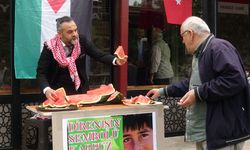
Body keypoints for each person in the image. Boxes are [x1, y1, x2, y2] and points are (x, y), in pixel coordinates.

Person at [146, 16, 250, 150]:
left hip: (223, 135)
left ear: (190, 33)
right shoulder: (201, 53)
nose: (182, 41)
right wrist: (162, 91)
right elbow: (192, 84)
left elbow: (235, 79)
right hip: (208, 132)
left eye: (182, 36)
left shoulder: (218, 48)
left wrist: (198, 93)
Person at [36, 16, 127, 101]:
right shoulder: (50, 47)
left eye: (75, 30)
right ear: (60, 34)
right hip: (56, 93)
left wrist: (115, 60)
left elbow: (99, 55)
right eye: (70, 32)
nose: (75, 34)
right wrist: (47, 89)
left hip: (80, 92)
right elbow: (41, 73)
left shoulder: (81, 41)